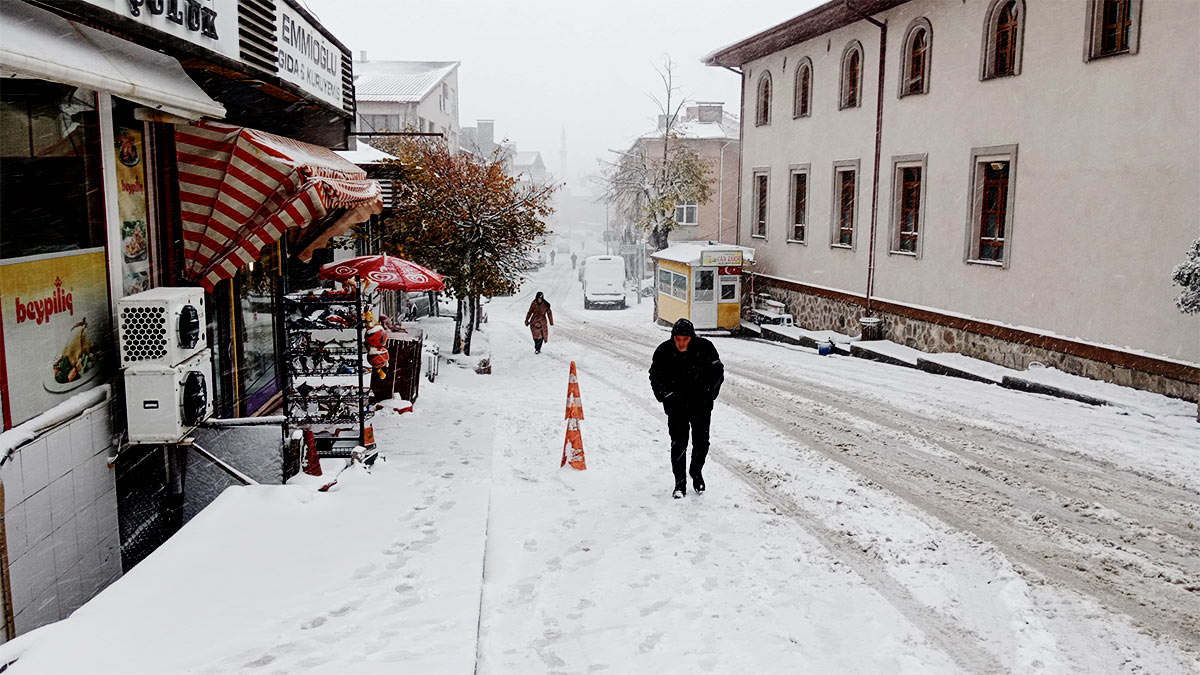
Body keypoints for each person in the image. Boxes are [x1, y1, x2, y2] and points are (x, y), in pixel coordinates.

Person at [649, 318, 724, 499]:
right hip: (677, 408)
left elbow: (717, 372)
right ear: (672, 337)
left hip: (701, 406)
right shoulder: (664, 351)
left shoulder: (705, 348)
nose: (681, 343)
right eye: (678, 339)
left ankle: (696, 471)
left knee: (701, 443)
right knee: (678, 444)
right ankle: (679, 483)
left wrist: (709, 392)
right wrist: (666, 396)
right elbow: (655, 376)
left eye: (685, 339)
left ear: (691, 337)